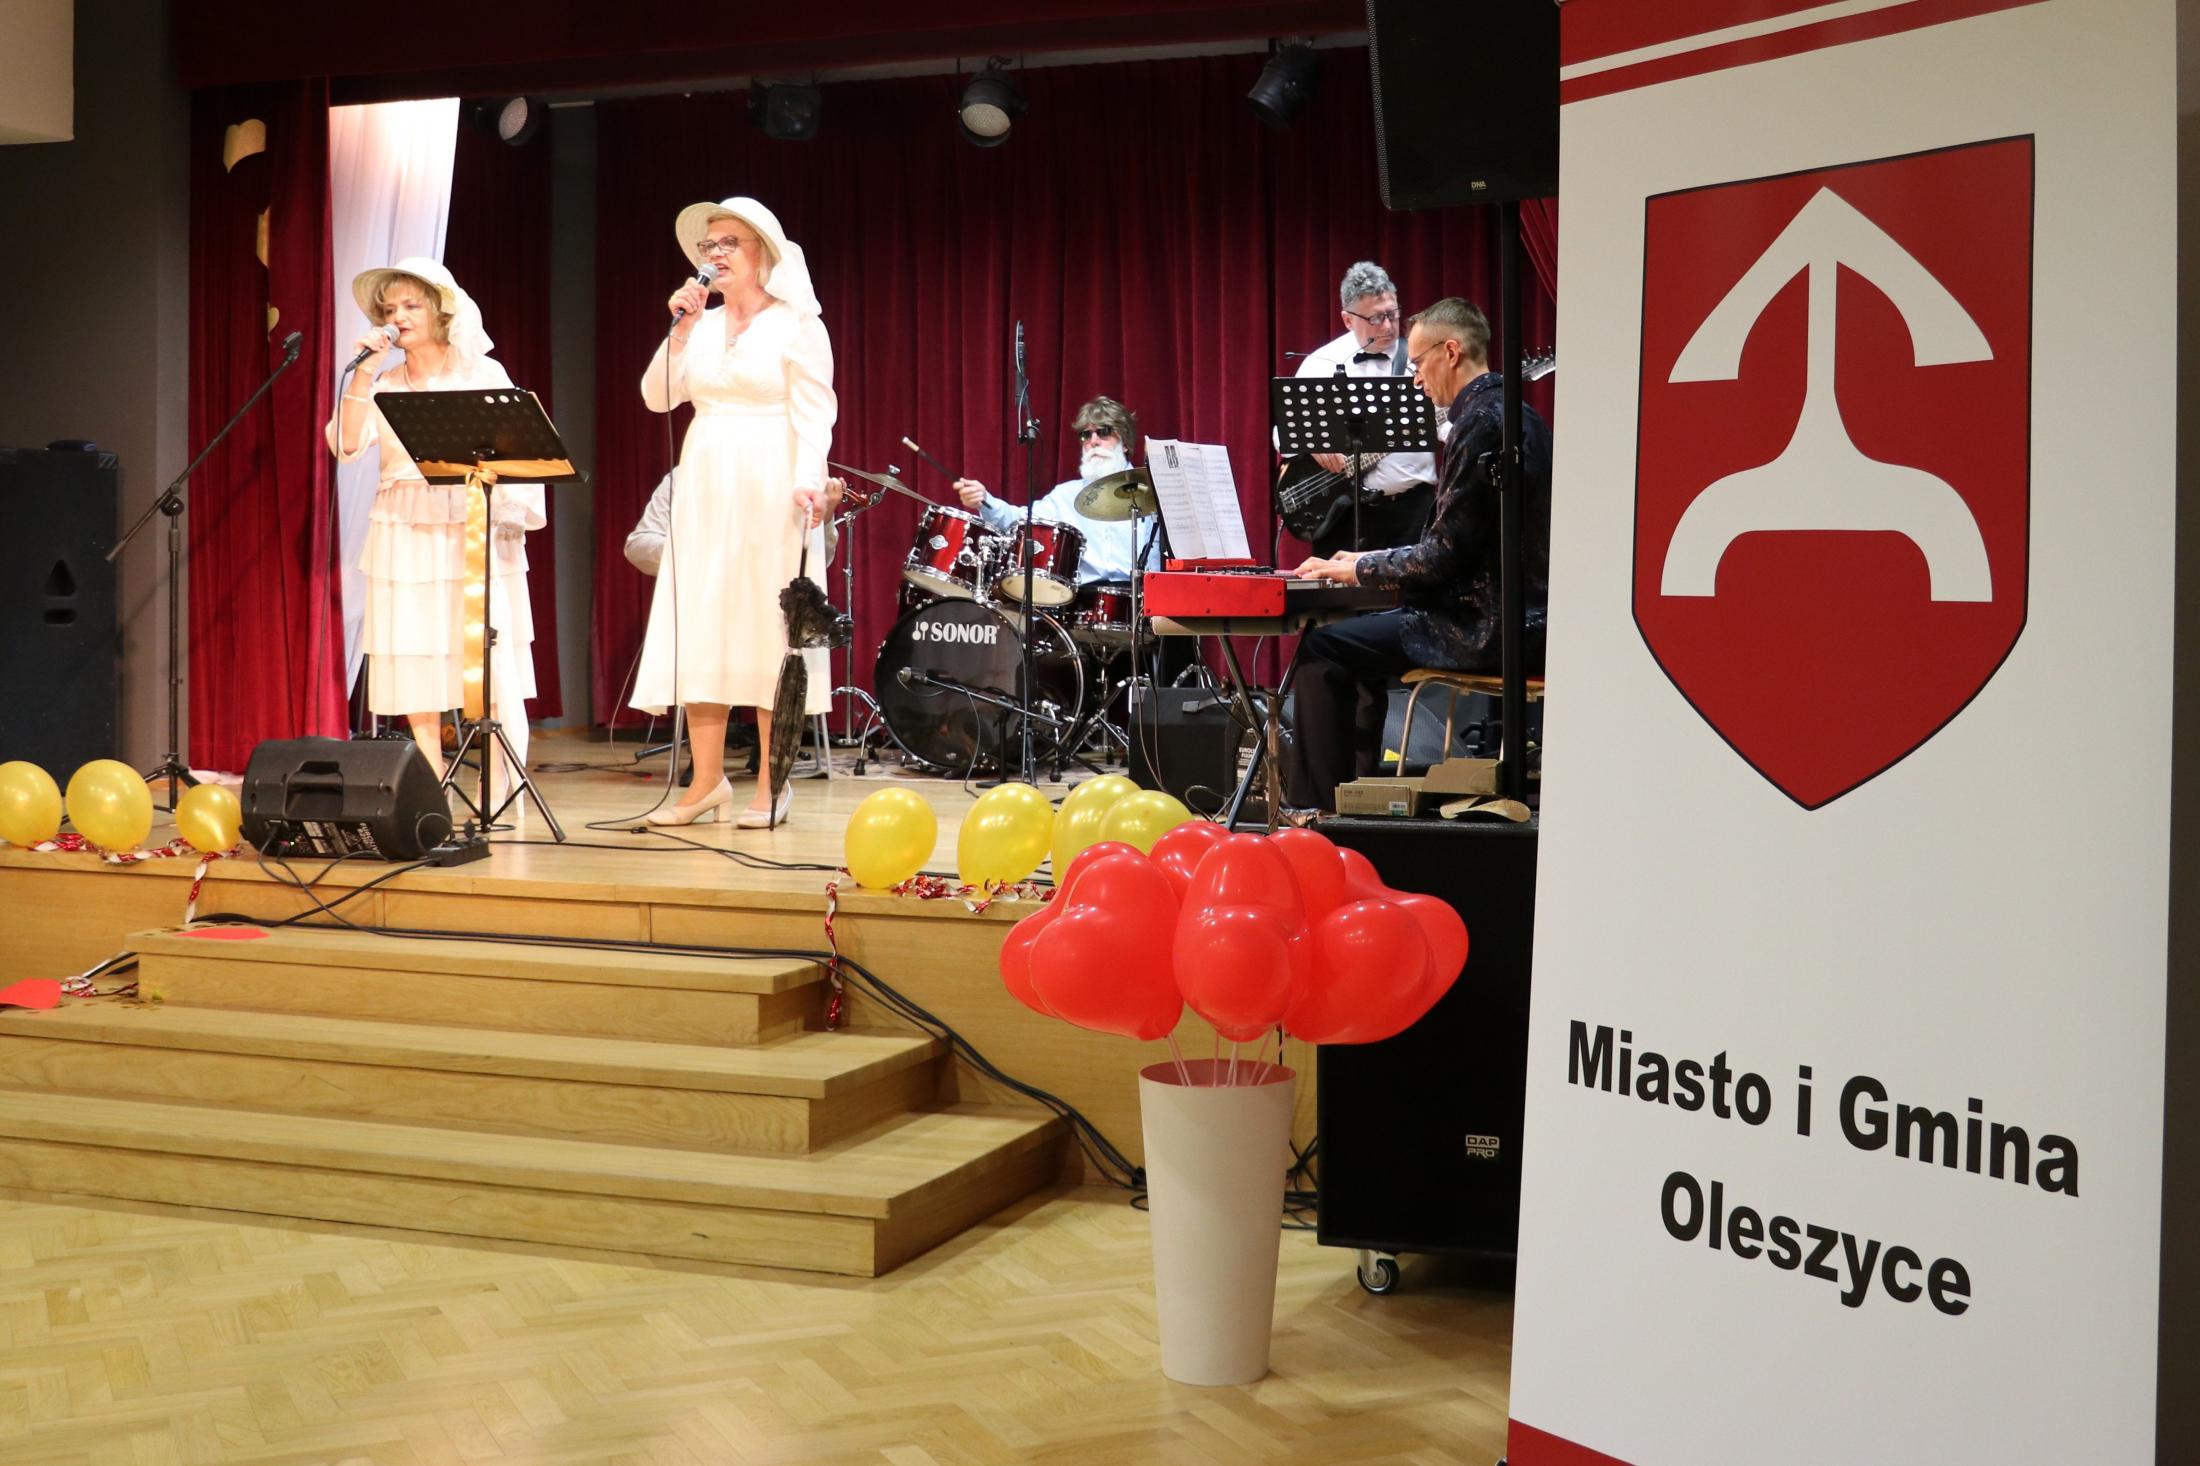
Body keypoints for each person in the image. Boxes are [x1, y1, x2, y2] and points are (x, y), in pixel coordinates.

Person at [1286, 297, 1552, 813]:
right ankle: (1358, 800)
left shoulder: (1479, 423)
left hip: (1481, 628)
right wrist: (1369, 559)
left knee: (1322, 649)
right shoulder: (1524, 415)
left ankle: (1316, 814)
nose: (1414, 381)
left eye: (1417, 364)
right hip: (1527, 620)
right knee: (1356, 641)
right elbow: (1462, 542)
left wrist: (1358, 568)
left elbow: (1441, 559)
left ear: (1451, 352)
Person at [631, 196, 835, 829]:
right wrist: (682, 328)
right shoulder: (700, 323)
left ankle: (772, 784)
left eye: (728, 244)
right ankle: (706, 782)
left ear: (761, 254)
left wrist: (808, 483)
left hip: (771, 480)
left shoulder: (796, 323)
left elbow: (815, 413)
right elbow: (657, 397)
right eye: (708, 245)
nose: (715, 254)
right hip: (706, 479)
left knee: (769, 632)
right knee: (705, 625)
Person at [326, 257, 545, 789]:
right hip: (402, 522)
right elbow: (346, 444)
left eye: (410, 306)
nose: (397, 317)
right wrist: (363, 372)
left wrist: (504, 518)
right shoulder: (385, 382)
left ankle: (499, 776)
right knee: (411, 645)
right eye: (389, 309)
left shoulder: (480, 374)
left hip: (465, 520)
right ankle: (431, 774)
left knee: (483, 646)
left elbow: (520, 451)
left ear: (441, 311)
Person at [1286, 261, 1441, 558]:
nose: (1388, 326)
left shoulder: (1422, 358)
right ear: (1348, 320)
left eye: (1392, 314)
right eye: (1376, 318)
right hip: (1342, 514)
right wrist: (1314, 440)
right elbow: (1283, 435)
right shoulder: (1321, 363)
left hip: (1412, 512)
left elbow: (1450, 425)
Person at [951, 396, 1161, 589]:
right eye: (1086, 435)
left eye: (1104, 432)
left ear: (1125, 442)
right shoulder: (1066, 495)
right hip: (1084, 599)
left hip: (1144, 598)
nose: (1093, 441)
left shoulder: (1152, 489)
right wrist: (984, 500)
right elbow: (1020, 521)